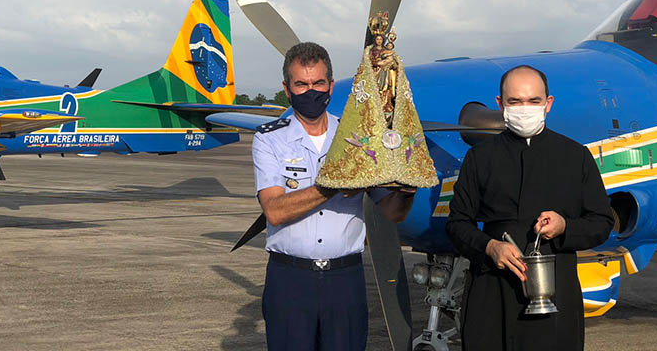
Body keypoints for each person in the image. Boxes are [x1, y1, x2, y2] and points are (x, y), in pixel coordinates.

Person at [252, 42, 416, 351]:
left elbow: (393, 213)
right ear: (287, 89)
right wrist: (336, 184)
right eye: (301, 84)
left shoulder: (358, 141)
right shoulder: (269, 139)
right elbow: (274, 211)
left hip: (345, 279)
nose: (310, 92)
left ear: (330, 85)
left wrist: (407, 190)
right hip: (290, 279)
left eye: (318, 83)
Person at [445, 65, 613, 351]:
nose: (525, 109)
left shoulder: (575, 156)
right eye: (515, 101)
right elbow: (457, 224)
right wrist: (489, 247)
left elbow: (602, 222)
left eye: (533, 101)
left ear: (548, 104)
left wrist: (565, 227)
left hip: (555, 290)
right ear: (500, 105)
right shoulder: (480, 157)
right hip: (491, 289)